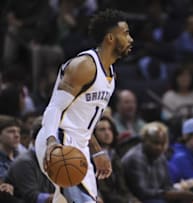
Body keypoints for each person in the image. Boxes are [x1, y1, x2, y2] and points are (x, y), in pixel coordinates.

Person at [34, 9, 133, 203]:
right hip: (59, 140)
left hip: (80, 145)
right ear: (111, 38)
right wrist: (52, 142)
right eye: (126, 33)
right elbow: (54, 108)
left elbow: (85, 123)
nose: (130, 39)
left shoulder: (110, 75)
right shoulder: (84, 66)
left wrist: (97, 150)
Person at [6, 116, 55, 203]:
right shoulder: (24, 162)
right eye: (50, 140)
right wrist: (59, 198)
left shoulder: (54, 159)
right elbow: (31, 197)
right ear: (34, 141)